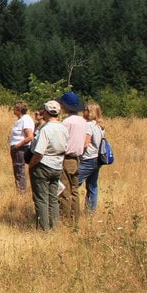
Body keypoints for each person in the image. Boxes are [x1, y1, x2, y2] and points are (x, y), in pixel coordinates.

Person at [28, 100, 69, 231]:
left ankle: (44, 229)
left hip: (43, 165)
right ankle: (55, 227)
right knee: (53, 198)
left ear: (45, 112)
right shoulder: (63, 128)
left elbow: (39, 152)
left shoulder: (46, 129)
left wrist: (31, 165)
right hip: (57, 166)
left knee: (41, 199)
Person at [57, 91, 88, 228]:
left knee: (64, 190)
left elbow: (61, 140)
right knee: (75, 190)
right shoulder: (82, 121)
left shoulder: (66, 122)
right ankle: (75, 219)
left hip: (66, 158)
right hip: (77, 159)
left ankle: (65, 219)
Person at [78, 101, 106, 211]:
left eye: (85, 109)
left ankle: (66, 209)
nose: (83, 111)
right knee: (92, 186)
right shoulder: (99, 126)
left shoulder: (89, 125)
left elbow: (85, 143)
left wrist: (77, 152)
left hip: (88, 159)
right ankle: (90, 212)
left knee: (74, 184)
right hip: (97, 159)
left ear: (90, 112)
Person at [8, 101, 35, 194]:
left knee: (20, 171)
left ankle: (21, 192)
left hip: (20, 149)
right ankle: (20, 190)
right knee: (18, 170)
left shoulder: (25, 120)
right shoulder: (21, 120)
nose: (13, 110)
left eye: (14, 108)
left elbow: (30, 136)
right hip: (17, 148)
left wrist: (18, 145)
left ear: (19, 110)